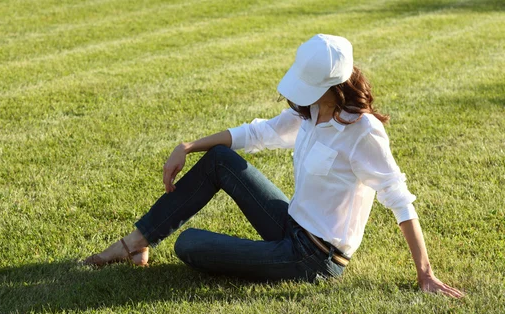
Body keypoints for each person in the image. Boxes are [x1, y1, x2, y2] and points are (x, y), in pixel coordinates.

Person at [82, 34, 463, 298]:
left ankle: (149, 246)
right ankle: (134, 245)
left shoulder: (363, 132)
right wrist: (188, 146)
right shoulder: (311, 112)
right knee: (219, 159)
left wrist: (425, 274)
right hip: (290, 223)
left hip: (314, 256)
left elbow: (399, 198)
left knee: (189, 244)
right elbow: (257, 133)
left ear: (334, 86)